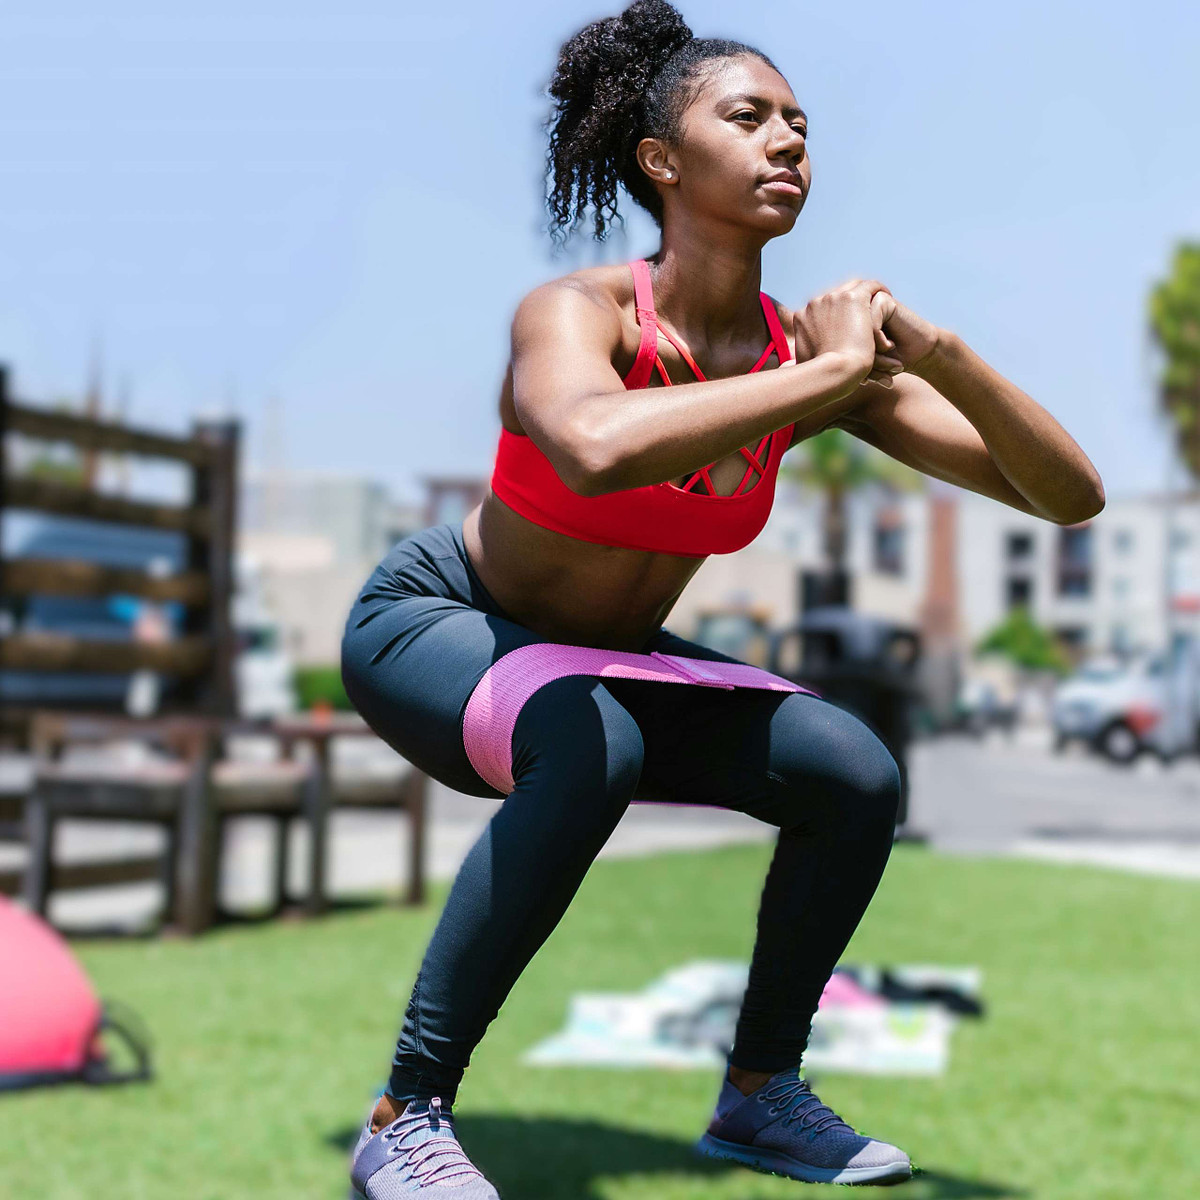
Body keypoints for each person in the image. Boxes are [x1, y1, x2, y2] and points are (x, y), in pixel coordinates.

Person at [340, 2, 1105, 1194]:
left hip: (608, 661)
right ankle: (406, 1114)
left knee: (851, 772)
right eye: (747, 118)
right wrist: (836, 373)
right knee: (590, 745)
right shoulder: (581, 314)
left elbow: (1068, 499)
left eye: (800, 123)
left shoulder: (811, 362)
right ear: (662, 161)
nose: (788, 141)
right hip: (444, 624)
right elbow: (592, 445)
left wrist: (936, 354)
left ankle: (758, 1096)